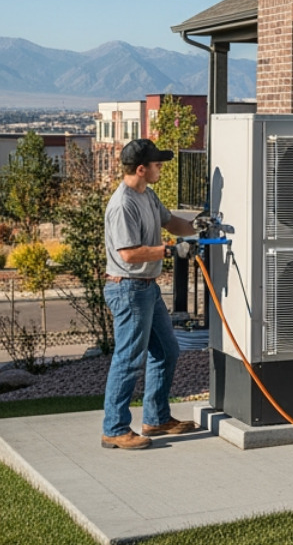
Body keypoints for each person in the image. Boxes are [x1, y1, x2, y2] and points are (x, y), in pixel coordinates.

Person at [100, 138, 201, 450]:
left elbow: (171, 222)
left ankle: (156, 418)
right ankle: (114, 428)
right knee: (129, 358)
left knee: (167, 350)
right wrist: (169, 251)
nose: (161, 168)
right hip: (128, 288)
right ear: (141, 169)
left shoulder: (147, 195)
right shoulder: (123, 204)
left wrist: (199, 226)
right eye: (157, 164)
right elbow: (129, 254)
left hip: (147, 287)